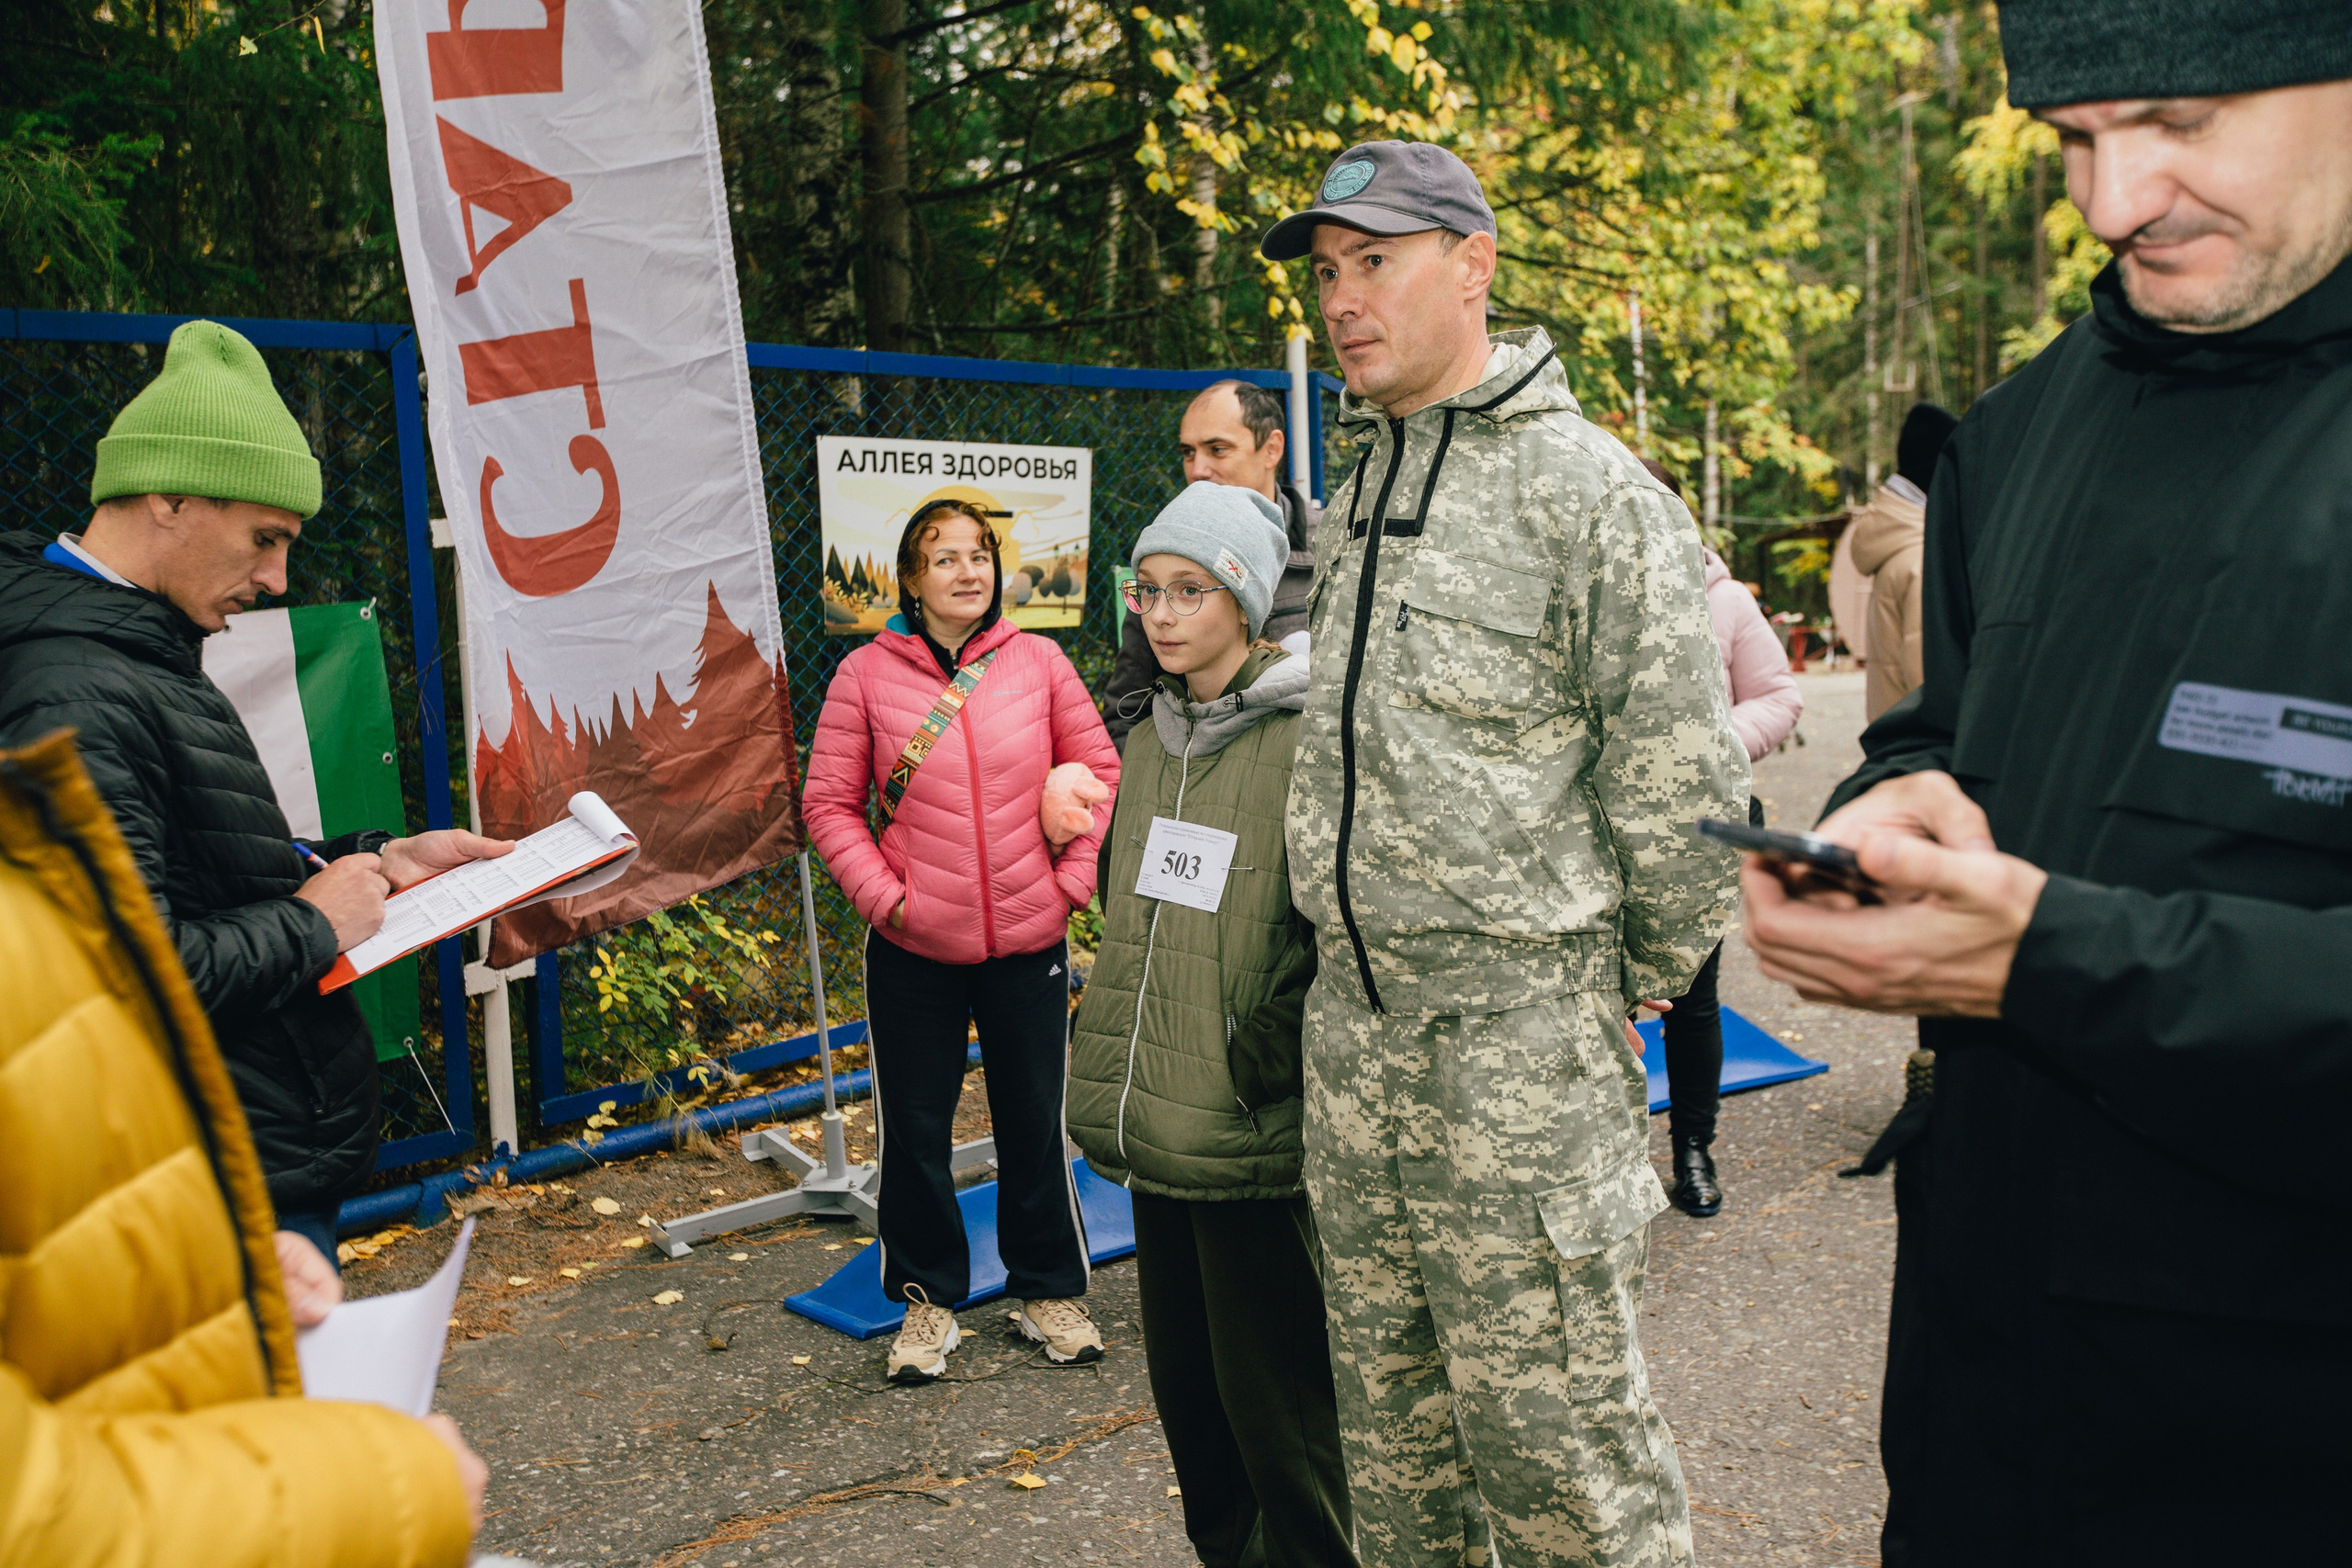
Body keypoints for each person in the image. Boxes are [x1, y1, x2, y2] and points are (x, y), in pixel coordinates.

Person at [1740, 11, 2352, 1562]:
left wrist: (2052, 959)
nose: (2111, 199)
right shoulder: (2019, 433)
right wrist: (1901, 794)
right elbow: (1945, 721)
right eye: (2076, 136)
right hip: (1984, 1413)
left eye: (2179, 120)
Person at [1261, 141, 1747, 1568]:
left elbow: (1684, 796)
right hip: (1357, 1055)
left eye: (1379, 262)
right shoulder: (1352, 496)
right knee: (1402, 1480)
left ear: (1472, 265)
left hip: (1516, 1058)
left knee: (1567, 1480)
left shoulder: (1588, 495)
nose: (1345, 301)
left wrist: (1610, 984)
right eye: (1330, 272)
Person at [0, 320, 513, 1262]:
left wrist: (375, 863)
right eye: (264, 538)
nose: (278, 579)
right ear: (168, 498)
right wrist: (315, 925)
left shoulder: (133, 650)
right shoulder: (69, 687)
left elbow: (193, 870)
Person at [0, 728, 485, 1565]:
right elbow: (33, 1516)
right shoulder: (70, 690)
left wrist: (209, 1264)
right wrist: (394, 1486)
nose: (274, 586)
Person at [1069, 482, 1352, 1568]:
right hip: (1154, 1134)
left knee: (1284, 1427)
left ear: (1244, 598)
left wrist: (1262, 1053)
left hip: (1244, 1137)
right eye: (1148, 591)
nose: (1164, 613)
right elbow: (1138, 909)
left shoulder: (1303, 738)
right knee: (1196, 1421)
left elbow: (1336, 924)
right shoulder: (1147, 739)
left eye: (1191, 590)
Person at [802, 496, 1121, 1383]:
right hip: (912, 947)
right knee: (913, 1129)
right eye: (944, 557)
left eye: (979, 554)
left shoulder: (1040, 662)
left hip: (1030, 936)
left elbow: (1099, 773)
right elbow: (828, 805)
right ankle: (925, 1302)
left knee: (1033, 1118)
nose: (967, 570)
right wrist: (885, 899)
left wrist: (1068, 884)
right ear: (910, 578)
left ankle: (1049, 1288)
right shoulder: (863, 676)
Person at [1638, 458, 1804, 1217]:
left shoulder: (1725, 598)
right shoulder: (1580, 588)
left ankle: (1692, 1150)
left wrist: (1712, 745)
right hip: (1599, 825)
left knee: (1692, 994)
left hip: (1700, 825)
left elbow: (1779, 695)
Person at [1102, 380, 1317, 747]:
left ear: (1272, 449)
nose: (1198, 469)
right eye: (1188, 453)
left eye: (1218, 450)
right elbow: (1127, 714)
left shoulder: (1337, 550)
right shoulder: (1167, 559)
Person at [1846, 402, 1957, 719]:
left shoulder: (1903, 550)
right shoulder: (1921, 561)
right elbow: (1931, 684)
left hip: (1896, 744)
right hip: (1925, 754)